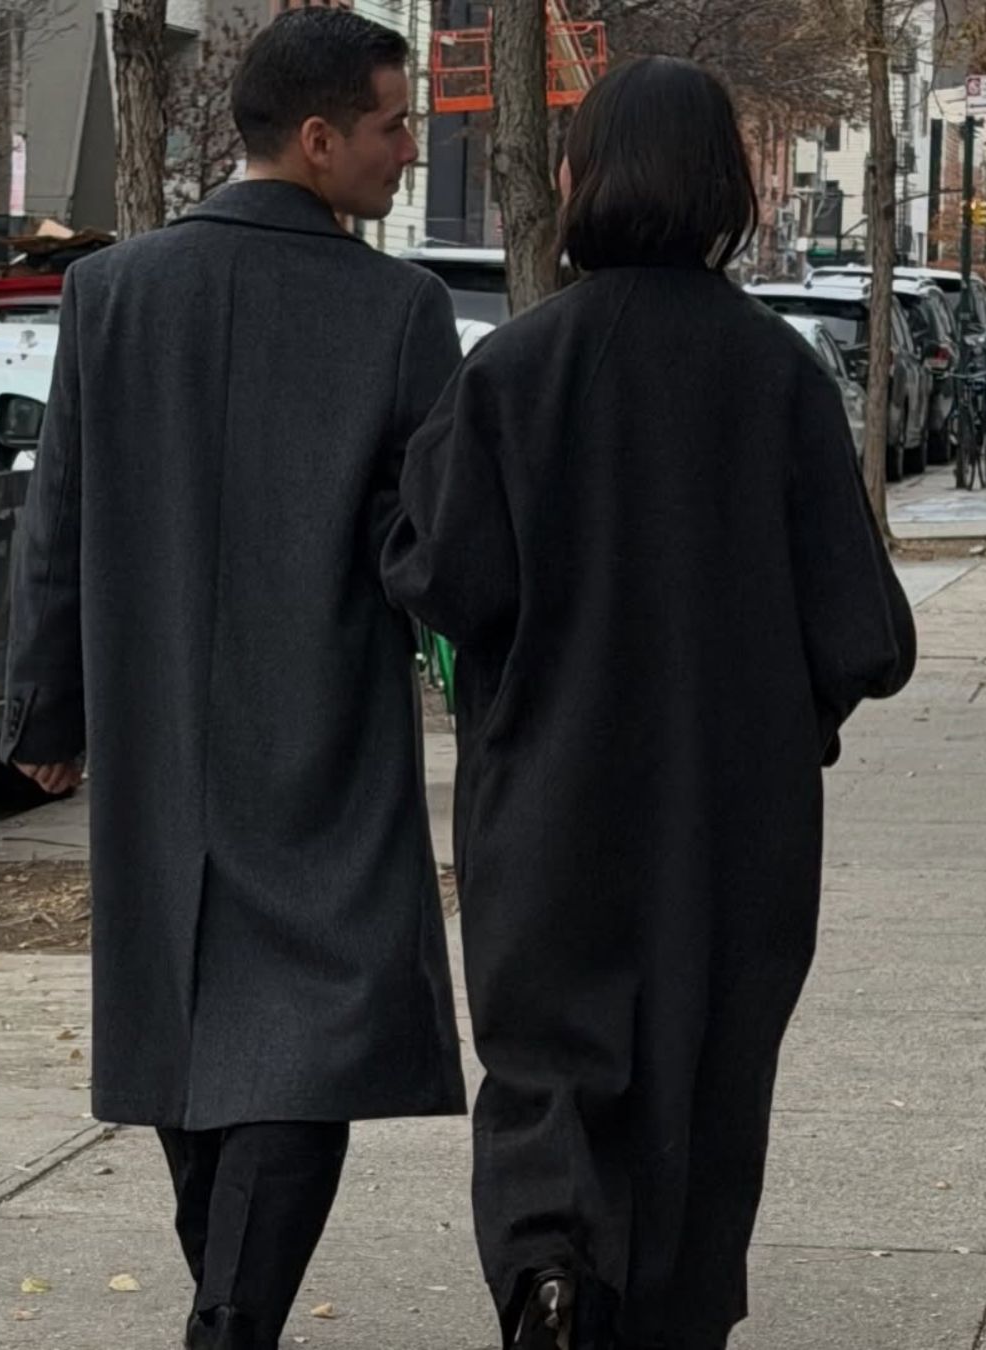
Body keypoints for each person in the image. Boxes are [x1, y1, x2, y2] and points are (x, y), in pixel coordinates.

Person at [382, 57, 916, 1350]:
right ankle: (671, 1307)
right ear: (727, 189)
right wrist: (796, 711)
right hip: (733, 812)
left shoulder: (513, 372)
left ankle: (552, 1258)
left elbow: (444, 575)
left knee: (546, 1064)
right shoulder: (777, 375)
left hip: (550, 797)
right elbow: (867, 631)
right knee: (706, 1076)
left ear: (577, 181)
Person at [1, 10, 466, 1348]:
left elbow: (60, 520)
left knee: (196, 1041)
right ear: (319, 140)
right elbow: (428, 541)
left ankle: (230, 1301)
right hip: (319, 727)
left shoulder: (112, 291)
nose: (404, 150)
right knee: (299, 1047)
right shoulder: (400, 309)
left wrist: (50, 705)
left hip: (159, 736)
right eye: (391, 127)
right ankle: (233, 1315)